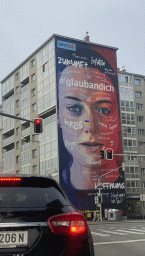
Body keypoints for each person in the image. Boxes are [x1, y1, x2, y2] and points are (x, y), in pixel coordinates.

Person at [57, 48, 123, 210]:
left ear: (119, 119)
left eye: (104, 110)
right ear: (58, 117)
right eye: (73, 108)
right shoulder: (56, 196)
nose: (90, 127)